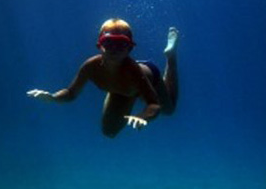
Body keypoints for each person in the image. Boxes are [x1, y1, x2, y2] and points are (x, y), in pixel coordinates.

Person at [27, 18, 179, 138]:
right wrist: (53, 97)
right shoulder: (90, 66)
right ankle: (121, 92)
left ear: (130, 48)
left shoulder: (133, 71)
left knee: (168, 110)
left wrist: (142, 116)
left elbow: (153, 104)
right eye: (108, 43)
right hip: (123, 89)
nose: (114, 49)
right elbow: (71, 92)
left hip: (148, 76)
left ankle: (170, 57)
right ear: (99, 45)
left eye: (120, 44)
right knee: (109, 132)